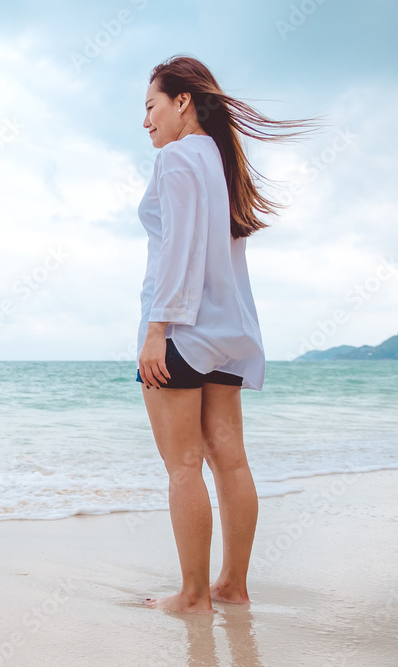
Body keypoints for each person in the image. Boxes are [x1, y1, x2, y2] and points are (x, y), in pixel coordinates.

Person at [135, 55, 319, 614]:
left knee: (184, 465)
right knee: (230, 460)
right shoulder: (219, 160)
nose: (146, 122)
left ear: (182, 101)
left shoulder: (177, 159)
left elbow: (179, 252)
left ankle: (193, 597)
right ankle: (231, 587)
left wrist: (157, 329)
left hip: (182, 330)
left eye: (151, 106)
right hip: (228, 330)